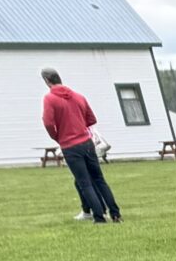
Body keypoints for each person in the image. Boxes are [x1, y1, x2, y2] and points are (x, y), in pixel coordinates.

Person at [39, 69, 120, 225]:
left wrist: (57, 136)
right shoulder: (78, 96)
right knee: (99, 179)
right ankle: (115, 214)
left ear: (47, 81)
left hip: (70, 146)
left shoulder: (49, 99)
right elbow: (91, 119)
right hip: (87, 143)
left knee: (84, 182)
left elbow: (48, 122)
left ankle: (99, 217)